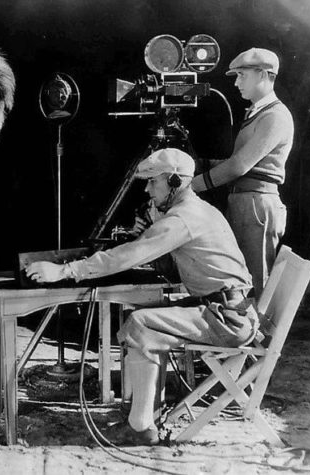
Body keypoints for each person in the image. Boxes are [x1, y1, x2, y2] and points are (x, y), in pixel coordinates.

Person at [26, 148, 258, 446]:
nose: (147, 190)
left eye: (152, 182)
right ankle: (144, 414)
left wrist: (65, 270)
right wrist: (148, 230)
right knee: (144, 318)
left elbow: (130, 255)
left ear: (174, 182)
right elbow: (169, 262)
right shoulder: (191, 212)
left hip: (227, 320)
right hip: (224, 310)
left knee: (142, 322)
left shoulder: (183, 219)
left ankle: (140, 426)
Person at [191, 47, 294, 296]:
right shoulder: (257, 113)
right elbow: (238, 164)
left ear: (262, 74)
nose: (236, 83)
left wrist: (192, 185)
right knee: (242, 279)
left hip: (256, 205)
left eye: (241, 76)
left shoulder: (275, 116)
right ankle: (247, 331)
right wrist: (201, 164)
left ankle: (258, 334)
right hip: (243, 202)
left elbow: (239, 166)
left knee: (256, 283)